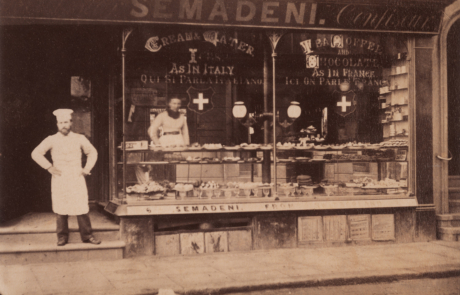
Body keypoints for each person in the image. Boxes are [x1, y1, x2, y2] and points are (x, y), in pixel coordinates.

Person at [31, 109, 100, 246]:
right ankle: (62, 236)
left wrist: (87, 169)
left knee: (81, 205)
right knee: (61, 205)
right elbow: (36, 153)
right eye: (61, 122)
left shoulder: (80, 138)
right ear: (57, 124)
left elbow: (92, 152)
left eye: (66, 122)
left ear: (71, 123)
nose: (63, 125)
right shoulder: (51, 139)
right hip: (60, 177)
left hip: (76, 176)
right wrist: (49, 167)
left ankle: (87, 235)